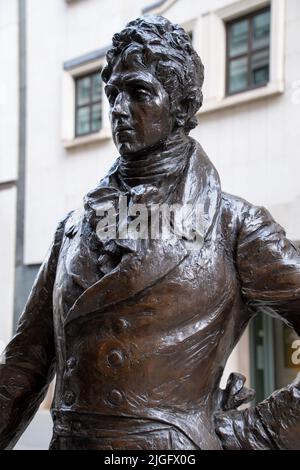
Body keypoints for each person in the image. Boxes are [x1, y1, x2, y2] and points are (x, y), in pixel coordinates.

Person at [0, 16, 299, 450]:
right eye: (112, 93)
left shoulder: (235, 226)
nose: (118, 109)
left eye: (138, 92)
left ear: (181, 105)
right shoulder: (71, 231)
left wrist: (255, 432)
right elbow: (24, 366)